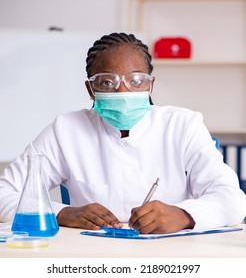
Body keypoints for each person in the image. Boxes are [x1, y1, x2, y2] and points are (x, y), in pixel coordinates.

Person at [0, 32, 246, 234]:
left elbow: (233, 200)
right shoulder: (66, 130)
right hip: (92, 258)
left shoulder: (183, 125)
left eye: (136, 80)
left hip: (171, 257)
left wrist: (184, 215)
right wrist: (63, 212)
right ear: (90, 89)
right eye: (107, 82)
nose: (123, 91)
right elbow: (4, 194)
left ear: (150, 85)